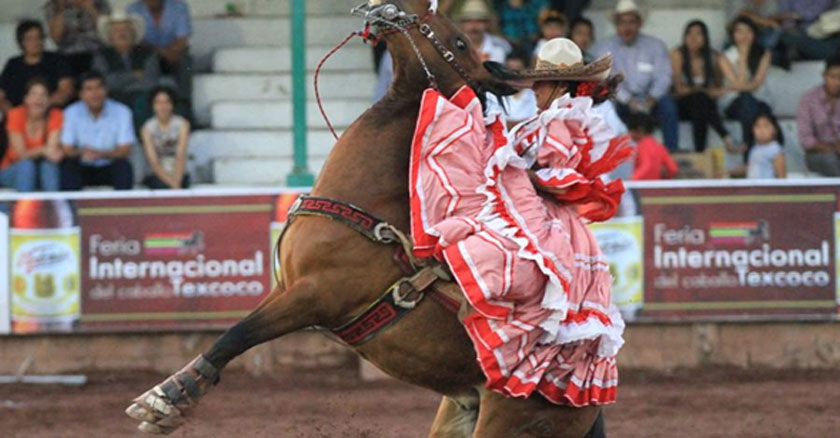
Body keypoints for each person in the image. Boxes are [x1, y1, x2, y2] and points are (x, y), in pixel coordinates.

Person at [409, 38, 627, 407]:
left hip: (543, 217)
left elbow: (563, 175)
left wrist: (517, 172)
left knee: (492, 254)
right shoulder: (553, 118)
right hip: (534, 211)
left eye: (541, 83)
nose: (535, 90)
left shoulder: (564, 119)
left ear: (560, 85)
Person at [592, 0, 678, 152]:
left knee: (668, 106)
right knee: (607, 106)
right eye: (622, 22)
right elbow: (608, 79)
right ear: (616, 25)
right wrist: (629, 100)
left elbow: (664, 76)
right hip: (621, 99)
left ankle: (672, 152)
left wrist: (652, 98)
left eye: (631, 22)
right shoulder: (604, 48)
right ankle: (613, 153)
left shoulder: (655, 45)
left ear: (639, 23)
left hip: (650, 99)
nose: (627, 27)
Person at [60, 71, 135, 190]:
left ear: (106, 90)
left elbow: (125, 150)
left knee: (123, 166)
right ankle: (71, 202)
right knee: (68, 166)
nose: (95, 94)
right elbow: (67, 149)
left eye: (99, 88)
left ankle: (122, 202)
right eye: (89, 89)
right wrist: (81, 153)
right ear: (81, 94)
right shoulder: (71, 112)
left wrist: (101, 154)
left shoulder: (122, 112)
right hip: (82, 165)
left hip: (109, 165)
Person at [671, 20, 737, 153]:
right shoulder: (678, 54)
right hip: (681, 105)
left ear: (706, 37)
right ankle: (725, 136)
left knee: (701, 101)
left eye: (698, 34)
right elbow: (679, 89)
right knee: (700, 97)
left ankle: (700, 152)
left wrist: (709, 92)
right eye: (689, 34)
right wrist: (703, 91)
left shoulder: (713, 57)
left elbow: (720, 87)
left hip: (704, 106)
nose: (693, 38)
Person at [92, 11, 161, 128]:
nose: (122, 33)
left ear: (133, 34)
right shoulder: (101, 56)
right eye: (116, 30)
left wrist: (119, 80)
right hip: (112, 97)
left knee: (142, 102)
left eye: (126, 29)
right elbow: (103, 83)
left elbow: (150, 83)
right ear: (110, 36)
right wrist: (134, 76)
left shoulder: (148, 54)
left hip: (141, 98)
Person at [127, 0, 192, 116]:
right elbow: (137, 39)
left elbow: (183, 39)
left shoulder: (179, 7)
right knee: (150, 60)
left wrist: (171, 52)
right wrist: (161, 52)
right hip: (148, 54)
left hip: (175, 54)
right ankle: (150, 106)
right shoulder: (133, 10)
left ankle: (184, 105)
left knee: (185, 61)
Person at [719, 17, 773, 150]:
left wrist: (737, 86)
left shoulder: (764, 54)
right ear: (733, 35)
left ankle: (751, 149)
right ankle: (750, 149)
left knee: (756, 108)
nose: (744, 35)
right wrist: (742, 57)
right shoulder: (725, 57)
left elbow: (756, 84)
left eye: (748, 31)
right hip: (733, 103)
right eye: (739, 31)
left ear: (754, 34)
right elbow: (740, 86)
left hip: (760, 100)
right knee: (746, 100)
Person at [1, 79, 63, 191]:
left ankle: (52, 201)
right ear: (25, 99)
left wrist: (44, 151)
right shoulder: (16, 114)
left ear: (49, 100)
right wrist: (42, 150)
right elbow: (20, 155)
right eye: (33, 94)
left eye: (43, 95)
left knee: (48, 166)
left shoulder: (55, 115)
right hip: (12, 170)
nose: (38, 99)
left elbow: (52, 153)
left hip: (42, 171)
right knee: (27, 165)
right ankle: (26, 202)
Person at [0, 20, 74, 112]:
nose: (36, 42)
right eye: (30, 39)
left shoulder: (56, 59)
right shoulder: (13, 64)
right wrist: (15, 114)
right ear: (21, 42)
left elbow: (65, 91)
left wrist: (39, 108)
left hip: (51, 114)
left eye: (39, 37)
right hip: (18, 115)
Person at [44, 0, 112, 76]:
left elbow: (108, 33)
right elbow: (56, 38)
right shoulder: (54, 5)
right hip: (68, 54)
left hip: (96, 51)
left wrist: (90, 8)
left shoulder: (100, 3)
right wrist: (61, 9)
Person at [797, 56, 840, 177]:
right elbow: (805, 140)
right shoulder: (809, 99)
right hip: (818, 154)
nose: (837, 82)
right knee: (830, 160)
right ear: (824, 75)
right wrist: (832, 148)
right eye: (833, 77)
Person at [141, 86, 190, 189]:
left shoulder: (182, 124)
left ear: (172, 104)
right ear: (153, 106)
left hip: (178, 173)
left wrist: (176, 181)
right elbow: (153, 161)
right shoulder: (147, 128)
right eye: (158, 102)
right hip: (156, 175)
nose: (162, 106)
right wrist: (172, 183)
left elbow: (180, 156)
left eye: (166, 102)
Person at [627, 112, 677, 180]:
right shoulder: (659, 146)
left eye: (630, 131)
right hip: (656, 185)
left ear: (640, 130)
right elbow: (673, 169)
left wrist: (632, 180)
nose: (629, 134)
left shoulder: (642, 146)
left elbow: (647, 165)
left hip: (642, 185)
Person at [746, 112, 785, 178]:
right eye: (758, 126)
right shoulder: (754, 148)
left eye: (766, 126)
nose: (762, 130)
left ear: (774, 130)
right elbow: (751, 167)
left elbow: (782, 176)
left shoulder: (775, 149)